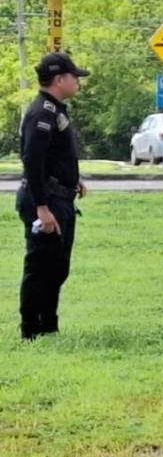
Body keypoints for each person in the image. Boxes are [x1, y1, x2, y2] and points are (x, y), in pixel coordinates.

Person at [16, 52, 90, 340]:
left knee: (57, 267)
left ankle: (49, 326)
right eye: (75, 77)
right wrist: (42, 208)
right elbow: (32, 161)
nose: (78, 82)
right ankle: (31, 331)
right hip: (45, 201)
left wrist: (74, 181)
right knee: (40, 267)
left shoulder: (56, 109)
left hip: (60, 197)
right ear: (60, 79)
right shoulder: (42, 113)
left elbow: (53, 157)